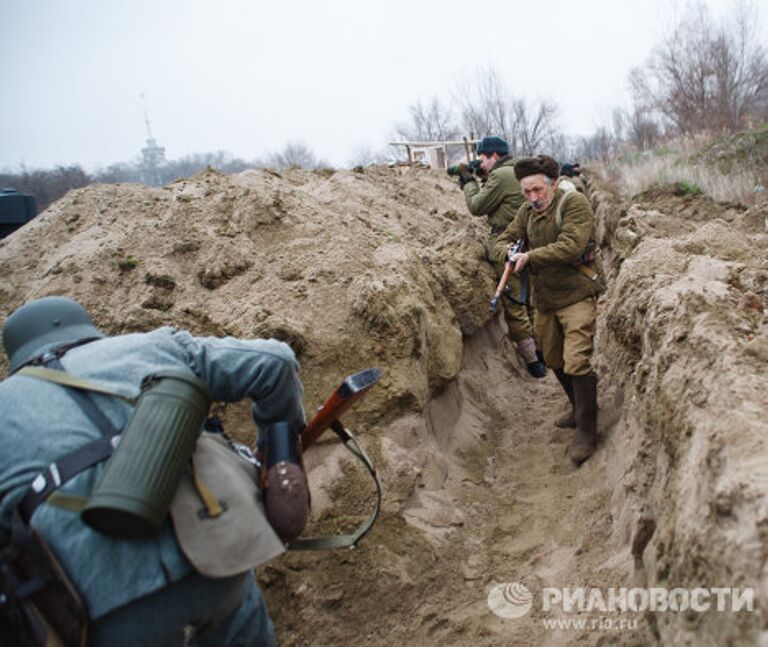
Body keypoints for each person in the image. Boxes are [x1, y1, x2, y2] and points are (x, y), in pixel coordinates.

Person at [0, 296, 307, 646]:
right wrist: (277, 453)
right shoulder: (150, 345)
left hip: (99, 604)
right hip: (215, 556)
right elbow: (276, 362)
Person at [494, 155, 605, 465]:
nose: (533, 198)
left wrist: (529, 257)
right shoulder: (525, 213)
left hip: (577, 294)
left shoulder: (574, 204)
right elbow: (505, 237)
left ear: (553, 185)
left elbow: (571, 244)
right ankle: (576, 406)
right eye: (527, 192)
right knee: (553, 357)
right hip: (546, 300)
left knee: (576, 360)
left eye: (539, 190)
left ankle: (587, 427)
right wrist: (507, 250)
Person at [457, 135, 546, 378]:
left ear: (494, 156)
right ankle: (542, 350)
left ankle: (533, 361)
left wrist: (468, 182)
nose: (481, 164)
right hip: (532, 242)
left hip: (507, 244)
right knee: (531, 300)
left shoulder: (500, 176)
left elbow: (477, 206)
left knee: (515, 301)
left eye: (482, 159)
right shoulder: (520, 172)